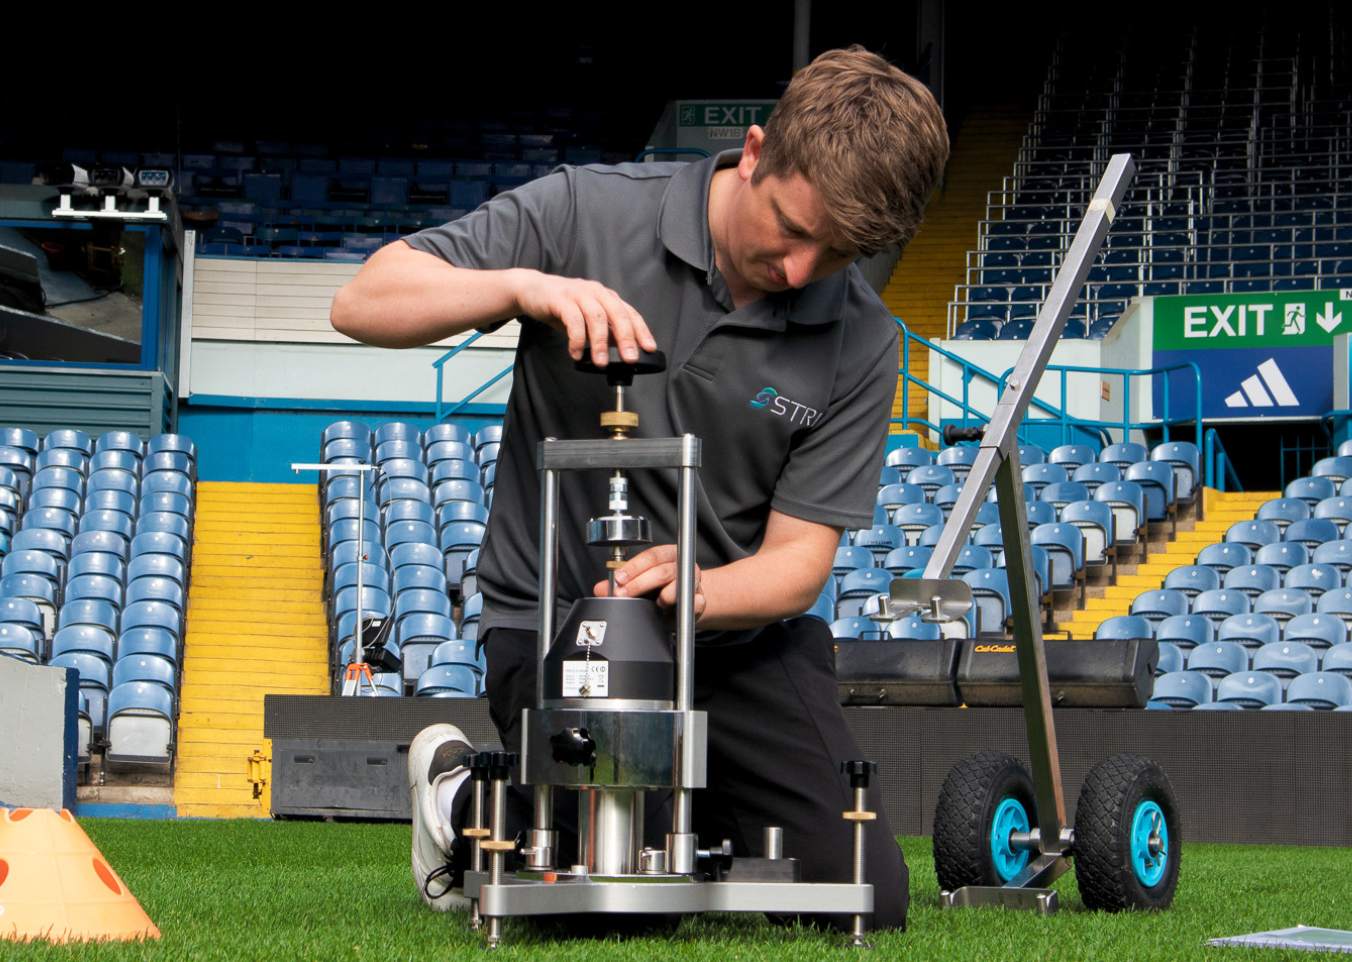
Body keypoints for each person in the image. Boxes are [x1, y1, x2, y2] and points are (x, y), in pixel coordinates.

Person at [331, 45, 949, 931]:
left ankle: (663, 811)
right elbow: (362, 300)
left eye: (843, 251)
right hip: (557, 627)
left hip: (732, 644)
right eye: (793, 227)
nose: (805, 270)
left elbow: (798, 565)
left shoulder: (863, 339)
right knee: (609, 899)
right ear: (754, 151)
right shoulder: (584, 208)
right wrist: (521, 288)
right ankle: (463, 797)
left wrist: (701, 591)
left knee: (861, 896)